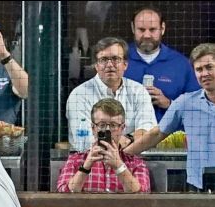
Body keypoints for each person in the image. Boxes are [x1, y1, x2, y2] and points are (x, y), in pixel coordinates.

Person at [125, 43, 215, 192]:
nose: (204, 74)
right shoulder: (185, 102)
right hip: (197, 186)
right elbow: (157, 133)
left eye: (209, 67)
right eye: (199, 69)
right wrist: (123, 155)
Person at [66, 37, 156, 150]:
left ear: (125, 64)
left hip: (132, 161)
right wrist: (121, 142)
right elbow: (85, 141)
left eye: (115, 59)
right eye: (103, 59)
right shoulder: (79, 95)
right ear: (96, 66)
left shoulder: (139, 91)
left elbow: (149, 130)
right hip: (89, 162)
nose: (109, 64)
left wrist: (128, 139)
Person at [56, 98, 150, 193]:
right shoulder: (75, 160)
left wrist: (119, 166)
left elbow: (142, 194)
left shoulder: (136, 163)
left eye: (113, 125)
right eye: (102, 125)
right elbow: (63, 193)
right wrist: (85, 167)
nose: (107, 130)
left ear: (122, 128)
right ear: (93, 128)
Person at [125, 7, 199, 122]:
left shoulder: (181, 64)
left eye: (152, 29)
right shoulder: (118, 60)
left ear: (162, 29)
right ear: (133, 28)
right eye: (141, 29)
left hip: (169, 137)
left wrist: (169, 104)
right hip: (126, 137)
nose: (147, 35)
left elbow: (198, 108)